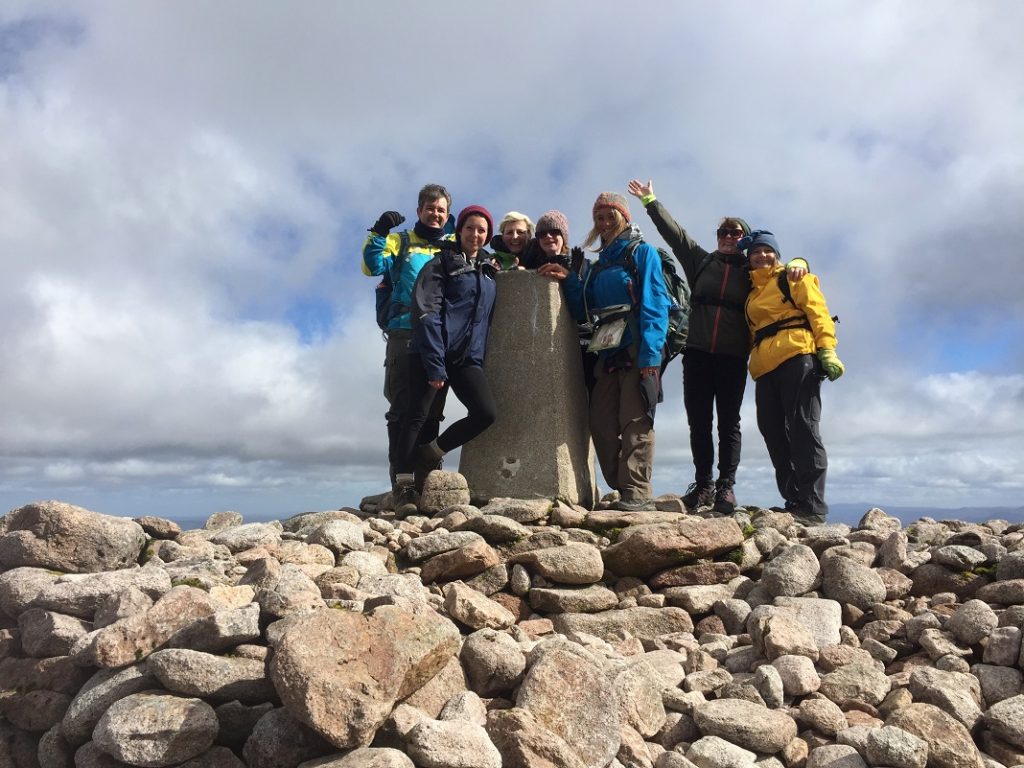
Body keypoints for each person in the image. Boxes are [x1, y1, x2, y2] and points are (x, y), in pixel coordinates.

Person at [626, 179, 806, 515]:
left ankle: (726, 487)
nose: (727, 237)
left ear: (745, 240)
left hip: (732, 357)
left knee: (728, 423)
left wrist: (801, 262)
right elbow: (674, 233)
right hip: (696, 354)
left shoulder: (753, 271)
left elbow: (780, 266)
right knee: (698, 421)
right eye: (723, 232)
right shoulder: (700, 262)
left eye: (735, 233)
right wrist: (651, 201)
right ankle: (704, 484)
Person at [539, 192, 671, 511]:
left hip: (639, 344)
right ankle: (620, 485)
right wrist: (569, 279)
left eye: (610, 215)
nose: (604, 222)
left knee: (635, 419)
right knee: (599, 421)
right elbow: (584, 309)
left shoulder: (643, 253)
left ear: (624, 217)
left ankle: (636, 492)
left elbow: (656, 305)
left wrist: (651, 359)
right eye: (599, 217)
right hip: (608, 348)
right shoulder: (599, 264)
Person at [393, 205, 501, 501]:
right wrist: (435, 363)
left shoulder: (489, 270)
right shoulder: (441, 263)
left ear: (488, 235)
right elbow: (427, 312)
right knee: (417, 416)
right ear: (460, 231)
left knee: (485, 412)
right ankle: (404, 488)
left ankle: (431, 453)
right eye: (470, 228)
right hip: (430, 352)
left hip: (467, 357)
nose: (475, 234)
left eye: (482, 230)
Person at [740, 230, 843, 524]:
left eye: (767, 251)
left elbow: (818, 312)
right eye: (755, 252)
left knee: (803, 428)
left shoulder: (794, 277)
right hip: (764, 368)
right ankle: (794, 499)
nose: (761, 256)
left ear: (777, 254)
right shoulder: (752, 293)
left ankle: (813, 506)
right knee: (772, 431)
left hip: (798, 357)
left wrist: (827, 350)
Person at [362, 184, 454, 492]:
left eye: (441, 209)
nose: (435, 214)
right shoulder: (399, 241)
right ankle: (402, 482)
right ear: (419, 211)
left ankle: (427, 481)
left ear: (447, 215)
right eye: (430, 208)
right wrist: (378, 231)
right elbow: (371, 267)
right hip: (404, 331)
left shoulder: (453, 245)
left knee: (432, 411)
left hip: (440, 336)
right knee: (401, 409)